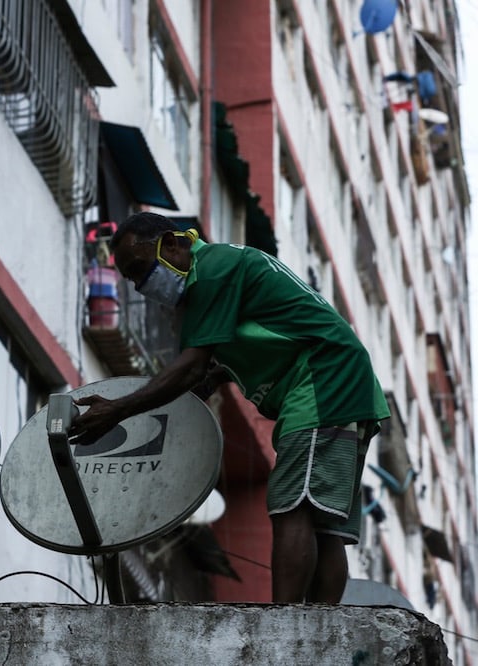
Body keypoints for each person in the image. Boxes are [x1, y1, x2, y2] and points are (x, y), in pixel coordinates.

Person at [69, 211, 390, 603]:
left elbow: (190, 367)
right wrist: (221, 375)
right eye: (132, 278)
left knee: (293, 506)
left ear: (172, 244)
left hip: (324, 382)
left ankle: (285, 630)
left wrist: (116, 410)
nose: (140, 286)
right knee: (323, 523)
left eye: (140, 269)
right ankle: (318, 634)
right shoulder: (223, 265)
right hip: (348, 385)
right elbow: (275, 329)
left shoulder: (212, 272)